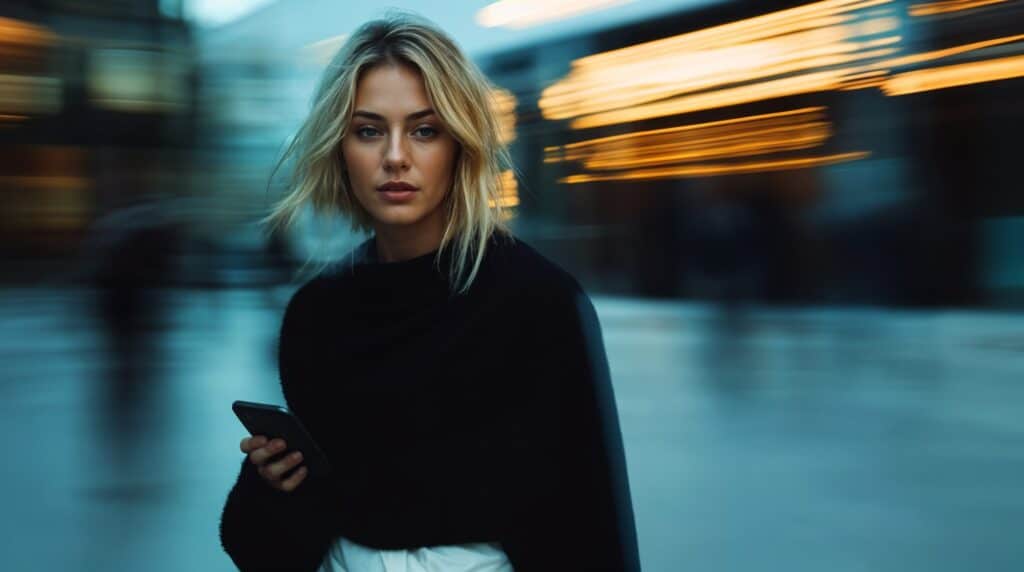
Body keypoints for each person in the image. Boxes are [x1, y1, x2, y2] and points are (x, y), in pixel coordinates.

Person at [219, 14, 640, 572]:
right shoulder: (317, 313)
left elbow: (590, 527)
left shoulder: (537, 304)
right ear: (339, 148)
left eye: (424, 129)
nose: (396, 156)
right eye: (369, 130)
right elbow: (276, 550)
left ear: (460, 144)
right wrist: (272, 484)